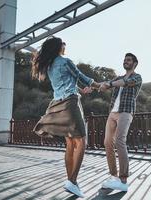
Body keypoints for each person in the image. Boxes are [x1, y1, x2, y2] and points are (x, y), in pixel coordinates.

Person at [31, 37, 100, 198]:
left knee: (70, 143)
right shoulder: (65, 61)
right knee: (82, 141)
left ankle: (71, 181)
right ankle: (72, 181)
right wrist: (99, 85)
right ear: (58, 47)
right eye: (63, 44)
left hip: (57, 103)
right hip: (70, 104)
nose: (65, 46)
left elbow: (67, 81)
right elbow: (82, 76)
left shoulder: (50, 65)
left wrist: (82, 91)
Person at [99, 53, 142, 192]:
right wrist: (92, 86)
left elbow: (123, 83)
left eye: (128, 60)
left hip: (126, 111)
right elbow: (104, 84)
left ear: (134, 63)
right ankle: (114, 176)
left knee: (119, 141)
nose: (125, 61)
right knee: (107, 142)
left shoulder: (137, 77)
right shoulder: (118, 78)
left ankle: (123, 180)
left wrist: (109, 84)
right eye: (124, 60)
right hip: (113, 113)